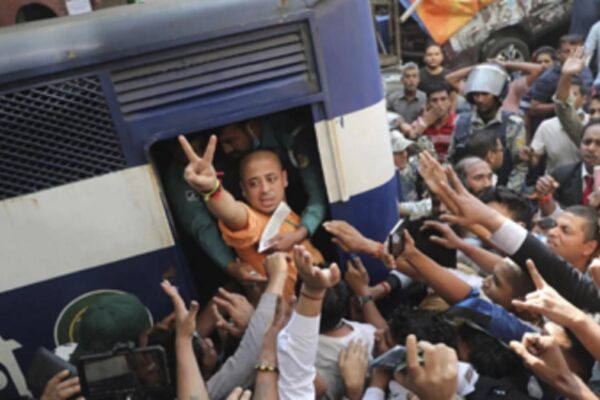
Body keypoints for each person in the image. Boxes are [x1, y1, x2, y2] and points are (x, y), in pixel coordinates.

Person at [179, 135, 324, 298]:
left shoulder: (289, 214)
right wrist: (211, 188)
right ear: (243, 190)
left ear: (284, 179)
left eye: (271, 179)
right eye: (254, 183)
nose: (265, 189)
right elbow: (232, 213)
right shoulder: (252, 221)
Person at [218, 113, 328, 252]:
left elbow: (318, 196)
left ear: (251, 126)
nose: (227, 149)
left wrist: (298, 235)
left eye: (231, 141)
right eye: (254, 183)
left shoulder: (290, 136)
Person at [447, 63, 528, 192]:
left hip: (503, 190)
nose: (480, 99)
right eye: (476, 94)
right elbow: (450, 159)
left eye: (485, 94)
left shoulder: (513, 124)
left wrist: (507, 195)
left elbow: (520, 166)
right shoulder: (461, 122)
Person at [534, 119, 600, 215]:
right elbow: (548, 216)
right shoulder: (561, 175)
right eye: (587, 142)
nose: (591, 148)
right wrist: (544, 196)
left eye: (599, 143)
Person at [527, 34, 594, 122]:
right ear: (559, 54)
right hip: (557, 125)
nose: (572, 55)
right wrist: (564, 105)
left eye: (576, 51)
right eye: (567, 51)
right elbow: (534, 108)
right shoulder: (548, 77)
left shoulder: (584, 69)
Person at [410, 82, 456, 162]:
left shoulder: (458, 122)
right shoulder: (419, 123)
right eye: (434, 100)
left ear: (449, 101)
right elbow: (410, 147)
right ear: (428, 103)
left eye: (443, 99)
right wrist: (424, 124)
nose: (439, 104)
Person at [387, 62, 427, 128]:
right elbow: (387, 118)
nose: (411, 80)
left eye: (414, 76)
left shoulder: (425, 98)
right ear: (402, 80)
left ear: (419, 79)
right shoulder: (392, 99)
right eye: (407, 76)